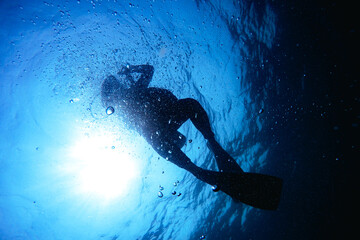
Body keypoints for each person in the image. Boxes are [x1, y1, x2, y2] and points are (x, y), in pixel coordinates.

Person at [101, 64, 282, 210]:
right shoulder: (125, 108)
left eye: (116, 88)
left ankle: (212, 144)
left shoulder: (134, 90)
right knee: (161, 135)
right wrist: (131, 73)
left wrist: (131, 69)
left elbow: (149, 69)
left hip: (169, 118)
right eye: (112, 93)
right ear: (111, 98)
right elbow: (146, 130)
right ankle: (198, 170)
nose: (117, 93)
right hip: (162, 132)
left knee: (190, 105)